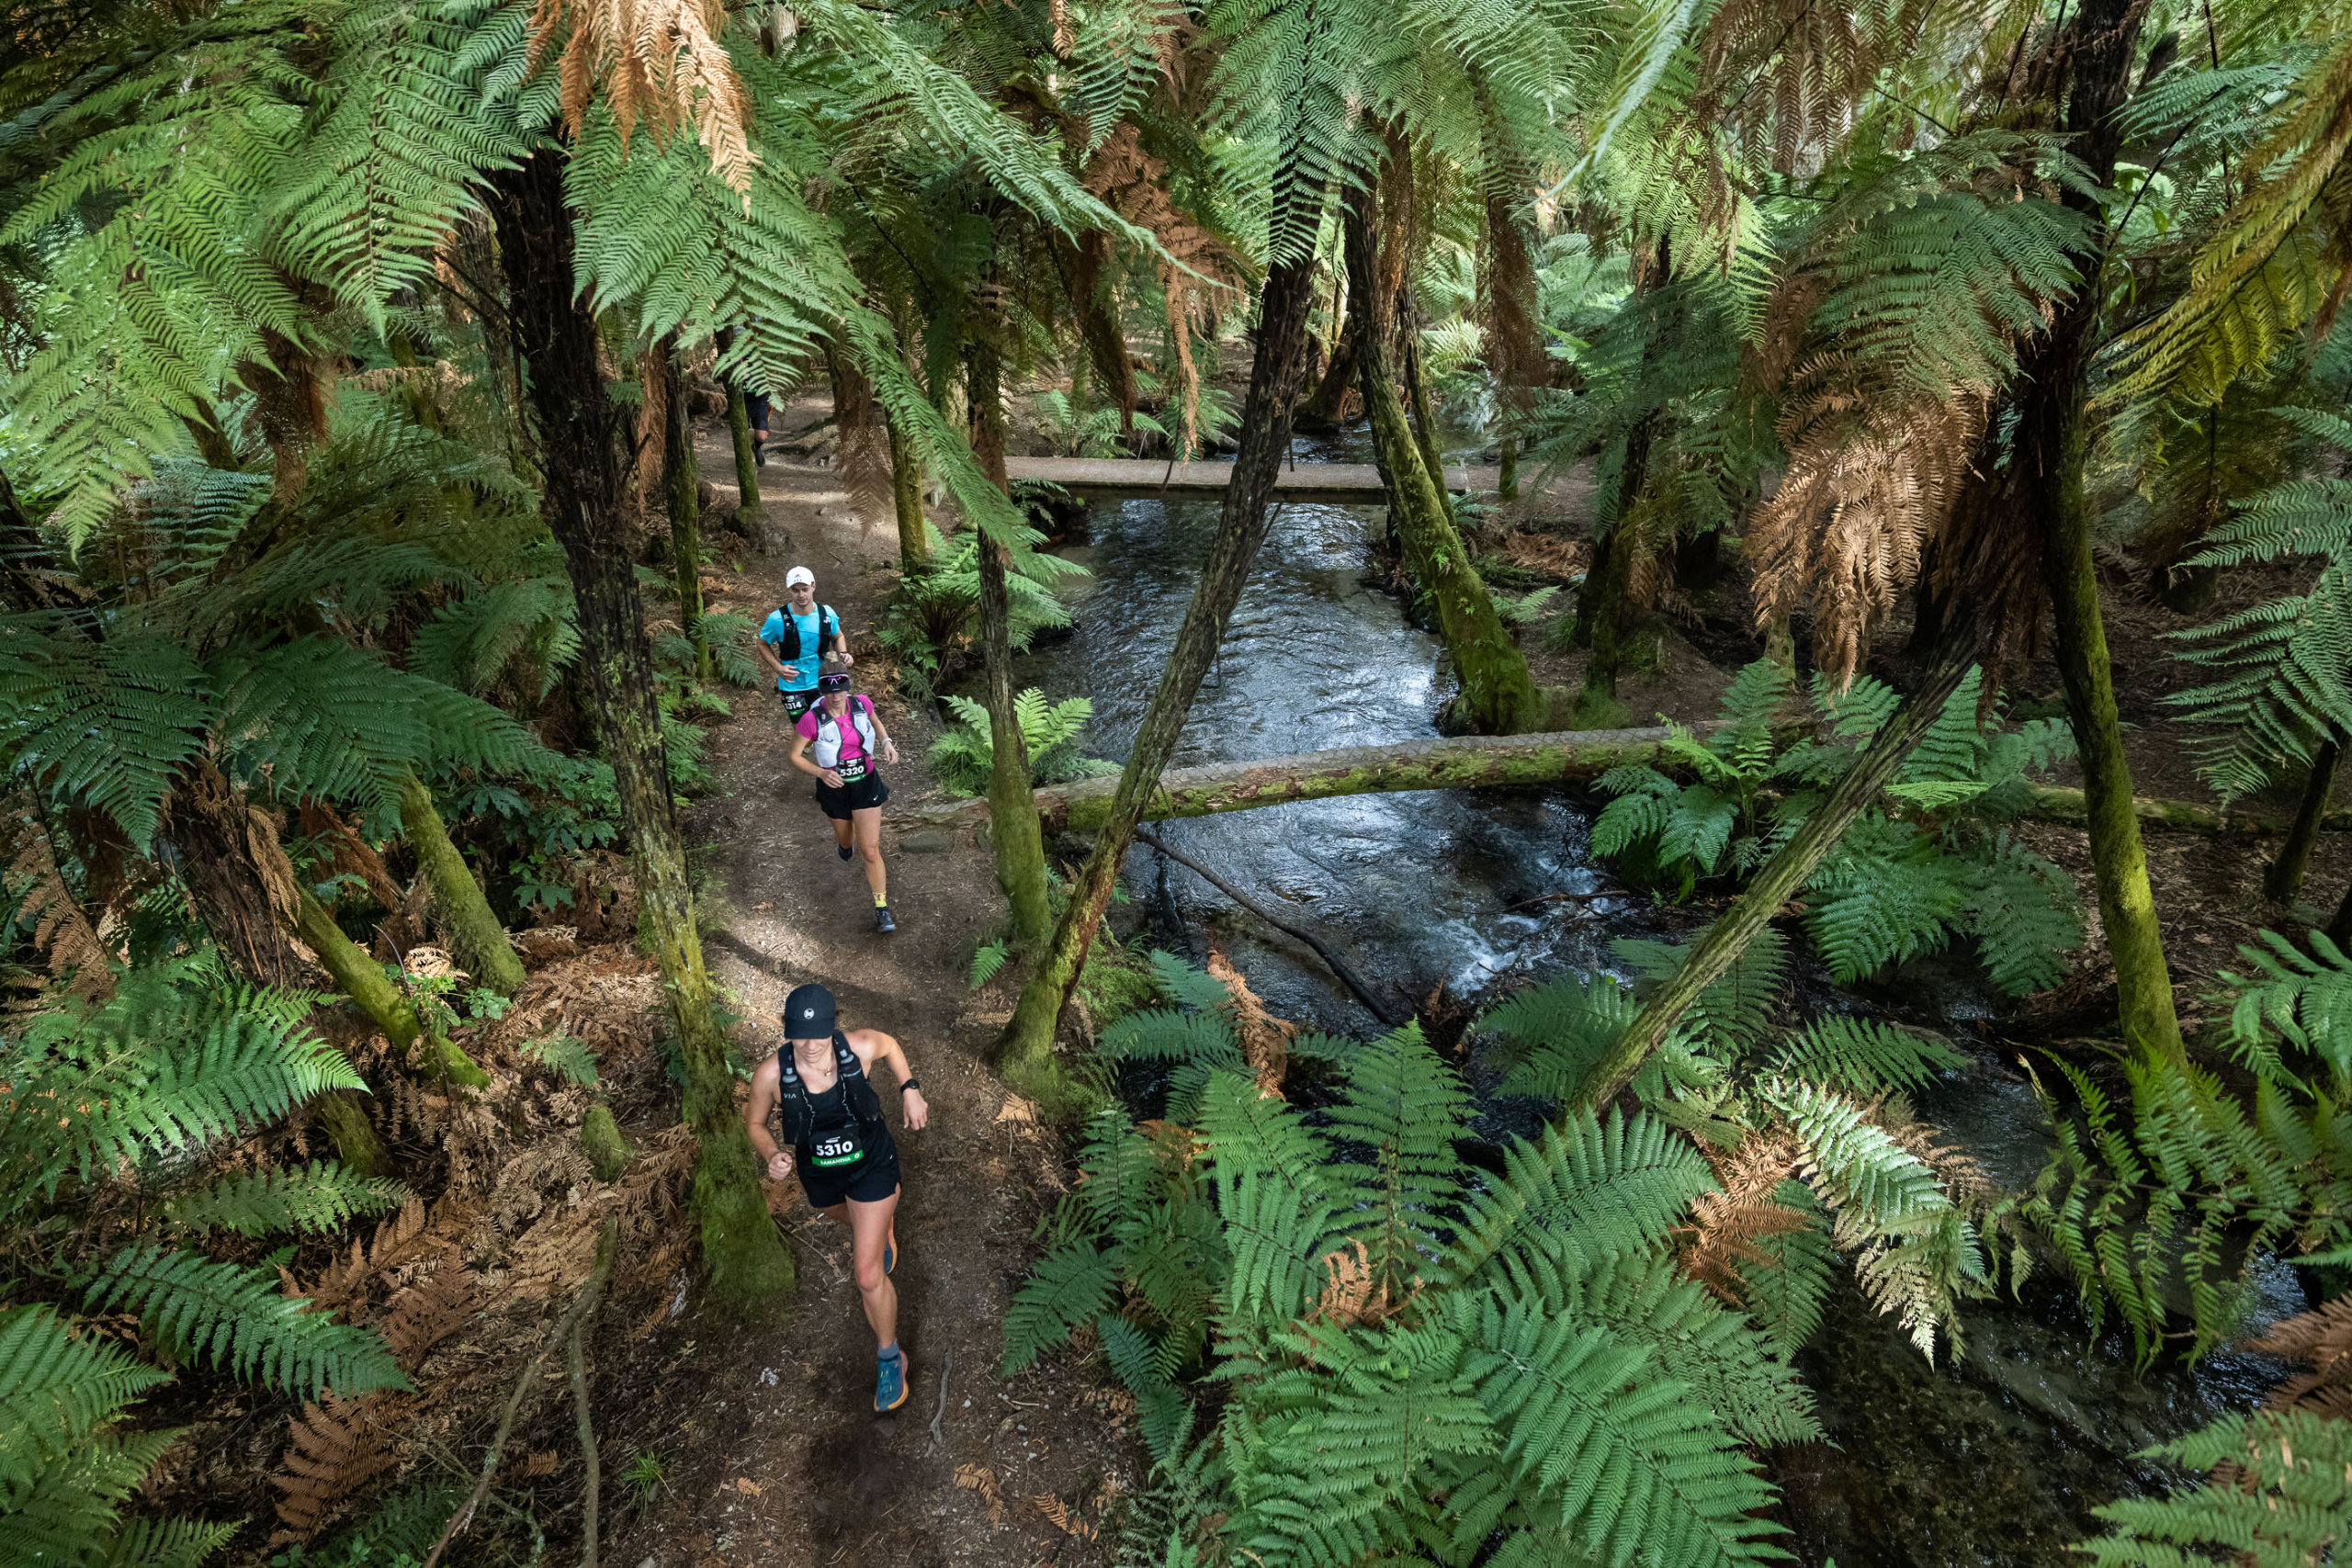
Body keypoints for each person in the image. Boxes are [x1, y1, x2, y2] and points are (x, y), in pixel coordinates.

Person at [744, 983, 929, 1413]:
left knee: (866, 1275)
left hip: (872, 1165)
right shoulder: (772, 1074)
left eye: (819, 1034)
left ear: (834, 1027)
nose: (810, 1046)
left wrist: (910, 1088)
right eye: (799, 1035)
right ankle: (877, 1225)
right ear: (787, 1031)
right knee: (844, 1217)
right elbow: (754, 1121)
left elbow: (892, 1047)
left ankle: (890, 1358)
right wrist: (771, 1153)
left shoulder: (859, 1048)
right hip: (820, 1175)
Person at [787, 662, 901, 932]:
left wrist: (886, 742)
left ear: (847, 687)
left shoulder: (861, 704)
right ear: (822, 690)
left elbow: (875, 721)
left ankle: (882, 908)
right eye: (830, 691)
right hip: (834, 788)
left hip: (866, 783)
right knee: (846, 839)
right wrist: (821, 773)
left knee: (870, 849)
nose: (836, 696)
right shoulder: (811, 719)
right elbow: (793, 755)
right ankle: (844, 844)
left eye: (841, 690)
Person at [755, 567, 852, 720]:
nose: (801, 595)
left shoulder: (826, 613)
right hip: (793, 684)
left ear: (813, 586)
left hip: (825, 679)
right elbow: (762, 643)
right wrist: (778, 667)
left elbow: (838, 636)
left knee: (830, 724)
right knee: (802, 731)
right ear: (789, 590)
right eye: (795, 590)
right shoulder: (777, 619)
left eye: (805, 589)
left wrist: (843, 653)